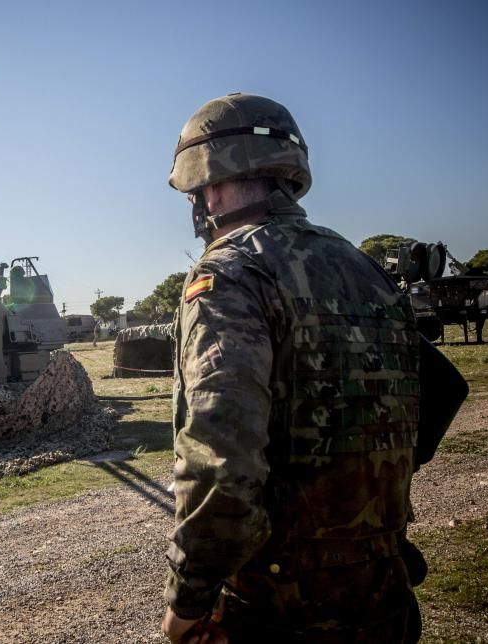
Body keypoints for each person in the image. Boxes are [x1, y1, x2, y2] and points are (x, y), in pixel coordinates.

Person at [162, 93, 424, 643]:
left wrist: (188, 599)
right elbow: (432, 395)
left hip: (278, 607)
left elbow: (221, 459)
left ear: (207, 185)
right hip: (383, 594)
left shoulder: (229, 273)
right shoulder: (362, 266)